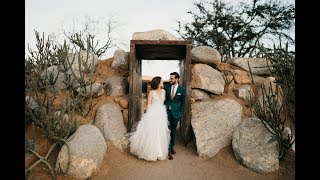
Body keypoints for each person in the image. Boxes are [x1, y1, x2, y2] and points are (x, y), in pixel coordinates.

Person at [129, 76, 171, 161]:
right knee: (153, 132)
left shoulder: (164, 91)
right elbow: (149, 105)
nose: (163, 82)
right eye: (161, 81)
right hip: (153, 113)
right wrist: (148, 116)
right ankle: (152, 153)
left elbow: (163, 102)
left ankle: (160, 153)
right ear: (158, 83)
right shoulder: (151, 92)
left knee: (161, 132)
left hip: (162, 114)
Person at [164, 72, 186, 160]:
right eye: (170, 78)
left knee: (173, 131)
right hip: (167, 112)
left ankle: (172, 147)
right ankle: (168, 151)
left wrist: (180, 113)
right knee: (168, 130)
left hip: (176, 113)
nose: (170, 80)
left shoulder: (182, 90)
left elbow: (183, 103)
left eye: (172, 78)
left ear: (177, 79)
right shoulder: (167, 87)